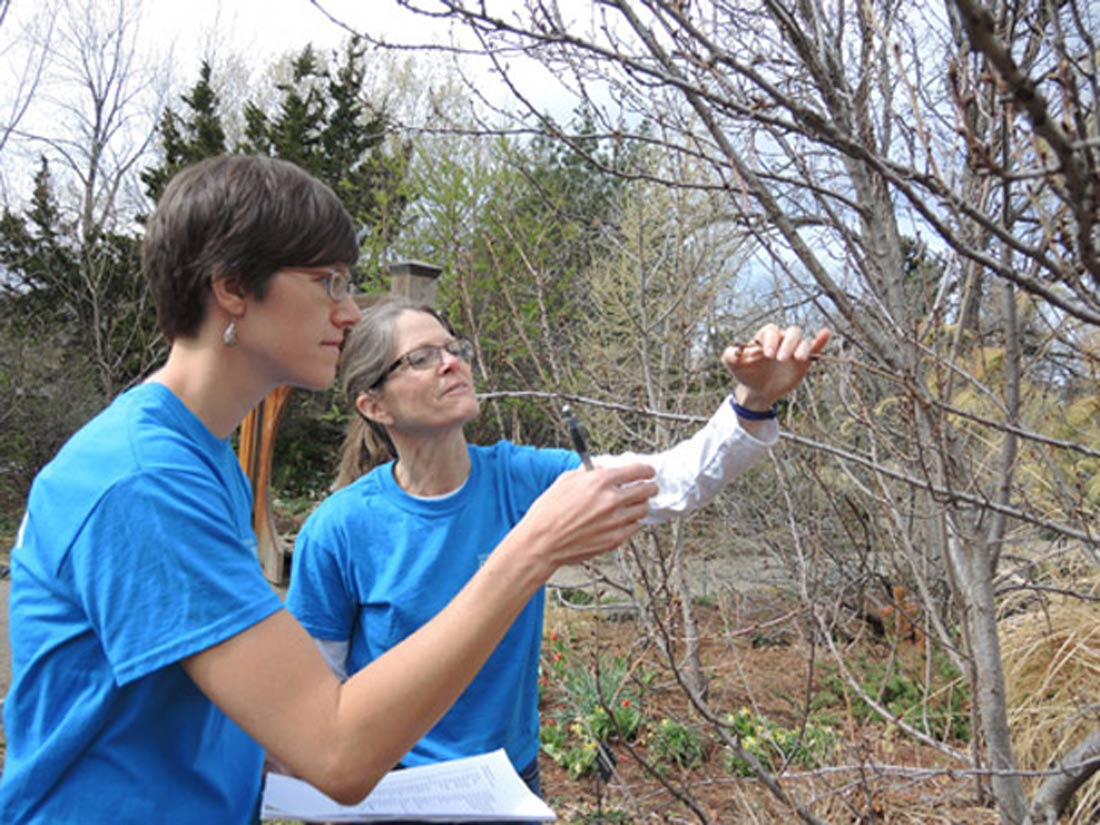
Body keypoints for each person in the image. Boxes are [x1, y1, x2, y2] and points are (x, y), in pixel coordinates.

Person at [0, 155, 660, 825]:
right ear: (232, 287)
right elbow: (337, 749)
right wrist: (531, 550)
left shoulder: (200, 458)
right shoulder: (142, 480)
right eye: (326, 281)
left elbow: (225, 703)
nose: (348, 312)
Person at [285, 295, 830, 797]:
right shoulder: (339, 528)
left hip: (508, 782)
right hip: (393, 790)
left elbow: (675, 482)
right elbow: (317, 699)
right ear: (374, 406)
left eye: (454, 348)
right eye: (422, 358)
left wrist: (754, 399)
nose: (452, 362)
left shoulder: (525, 480)